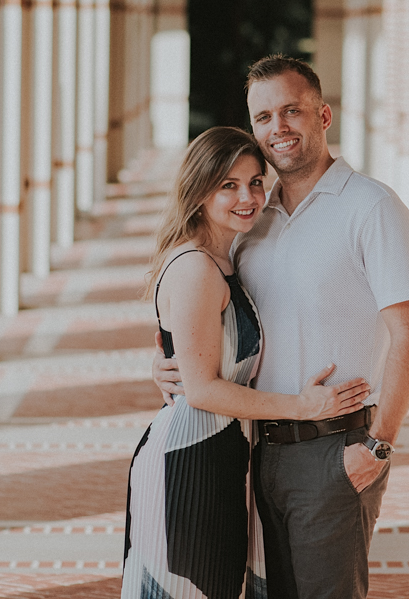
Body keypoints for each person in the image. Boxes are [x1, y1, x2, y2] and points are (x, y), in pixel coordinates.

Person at [154, 57, 409, 599]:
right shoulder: (253, 221)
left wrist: (377, 447)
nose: (277, 127)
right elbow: (209, 313)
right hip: (259, 448)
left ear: (322, 115)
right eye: (263, 117)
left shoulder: (371, 208)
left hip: (336, 446)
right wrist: (173, 363)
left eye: (291, 111)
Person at [124, 126, 372, 599]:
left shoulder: (228, 255)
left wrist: (167, 362)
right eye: (228, 185)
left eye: (256, 182)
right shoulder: (197, 267)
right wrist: (303, 406)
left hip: (221, 458)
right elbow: (201, 390)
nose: (248, 196)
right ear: (198, 192)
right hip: (188, 465)